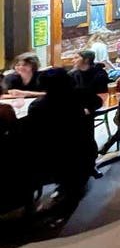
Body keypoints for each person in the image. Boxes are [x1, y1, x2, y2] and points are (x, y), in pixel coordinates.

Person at [24, 68, 101, 210]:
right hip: (83, 150)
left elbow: (33, 134)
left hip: (51, 157)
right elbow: (98, 102)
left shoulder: (37, 106)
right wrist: (87, 111)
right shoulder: (80, 95)